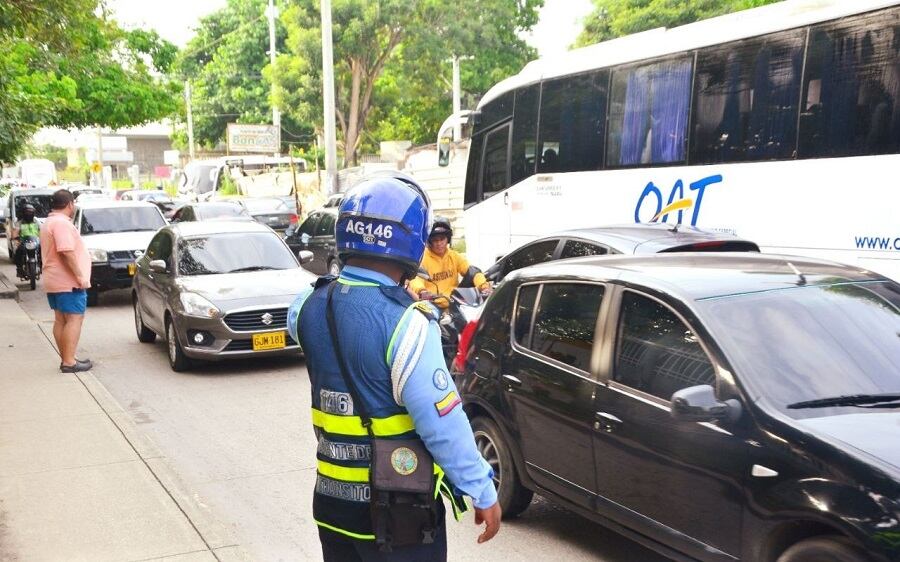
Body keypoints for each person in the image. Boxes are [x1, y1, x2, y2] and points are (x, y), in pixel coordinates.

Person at [287, 174, 501, 561]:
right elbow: (442, 424)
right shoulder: (407, 325)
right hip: (396, 515)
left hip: (332, 507)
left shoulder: (306, 307)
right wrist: (482, 490)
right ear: (410, 243)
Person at [40, 189, 92, 373]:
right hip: (67, 282)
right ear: (70, 204)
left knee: (61, 319)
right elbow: (66, 251)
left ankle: (67, 357)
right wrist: (79, 276)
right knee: (74, 318)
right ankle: (69, 361)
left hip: (54, 280)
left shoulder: (49, 222)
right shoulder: (61, 224)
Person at [407, 217, 492, 307]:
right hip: (433, 305)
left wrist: (484, 286)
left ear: (448, 239)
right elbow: (416, 279)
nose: (439, 243)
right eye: (435, 240)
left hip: (454, 303)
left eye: (442, 239)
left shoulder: (454, 256)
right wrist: (422, 291)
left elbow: (473, 272)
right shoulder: (423, 258)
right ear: (429, 241)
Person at [13, 204, 40, 278]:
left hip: (35, 241)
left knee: (43, 251)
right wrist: (16, 239)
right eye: (27, 212)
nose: (29, 214)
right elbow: (15, 231)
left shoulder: (36, 221)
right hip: (24, 242)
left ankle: (43, 265)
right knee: (18, 252)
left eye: (31, 212)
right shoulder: (20, 222)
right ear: (24, 213)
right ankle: (19, 269)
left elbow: (42, 229)